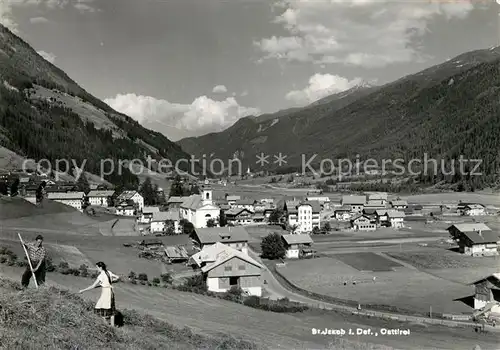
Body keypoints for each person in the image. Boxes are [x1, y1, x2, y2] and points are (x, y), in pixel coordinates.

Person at [78, 262, 120, 326]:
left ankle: (107, 326)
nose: (97, 269)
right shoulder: (109, 272)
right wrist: (110, 282)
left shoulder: (101, 275)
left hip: (106, 294)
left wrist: (82, 290)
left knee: (100, 308)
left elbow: (93, 286)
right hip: (111, 292)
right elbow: (118, 277)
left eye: (97, 267)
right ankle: (112, 326)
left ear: (100, 267)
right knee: (111, 310)